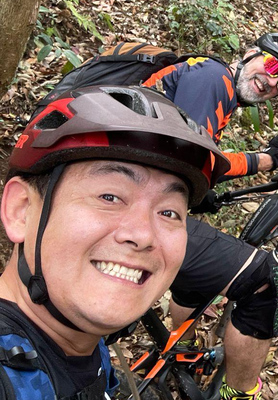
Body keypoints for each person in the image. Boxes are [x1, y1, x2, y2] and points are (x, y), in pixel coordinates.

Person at [0, 85, 229, 398]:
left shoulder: (81, 342)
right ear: (21, 211)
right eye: (109, 196)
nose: (143, 235)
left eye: (169, 212)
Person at [141, 31, 278, 400]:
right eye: (271, 66)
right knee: (268, 280)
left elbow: (170, 152)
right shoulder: (212, 77)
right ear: (250, 54)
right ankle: (241, 394)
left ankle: (181, 353)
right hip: (137, 212)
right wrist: (267, 160)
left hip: (136, 200)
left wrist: (199, 193)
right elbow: (191, 155)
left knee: (201, 256)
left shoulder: (213, 86)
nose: (271, 82)